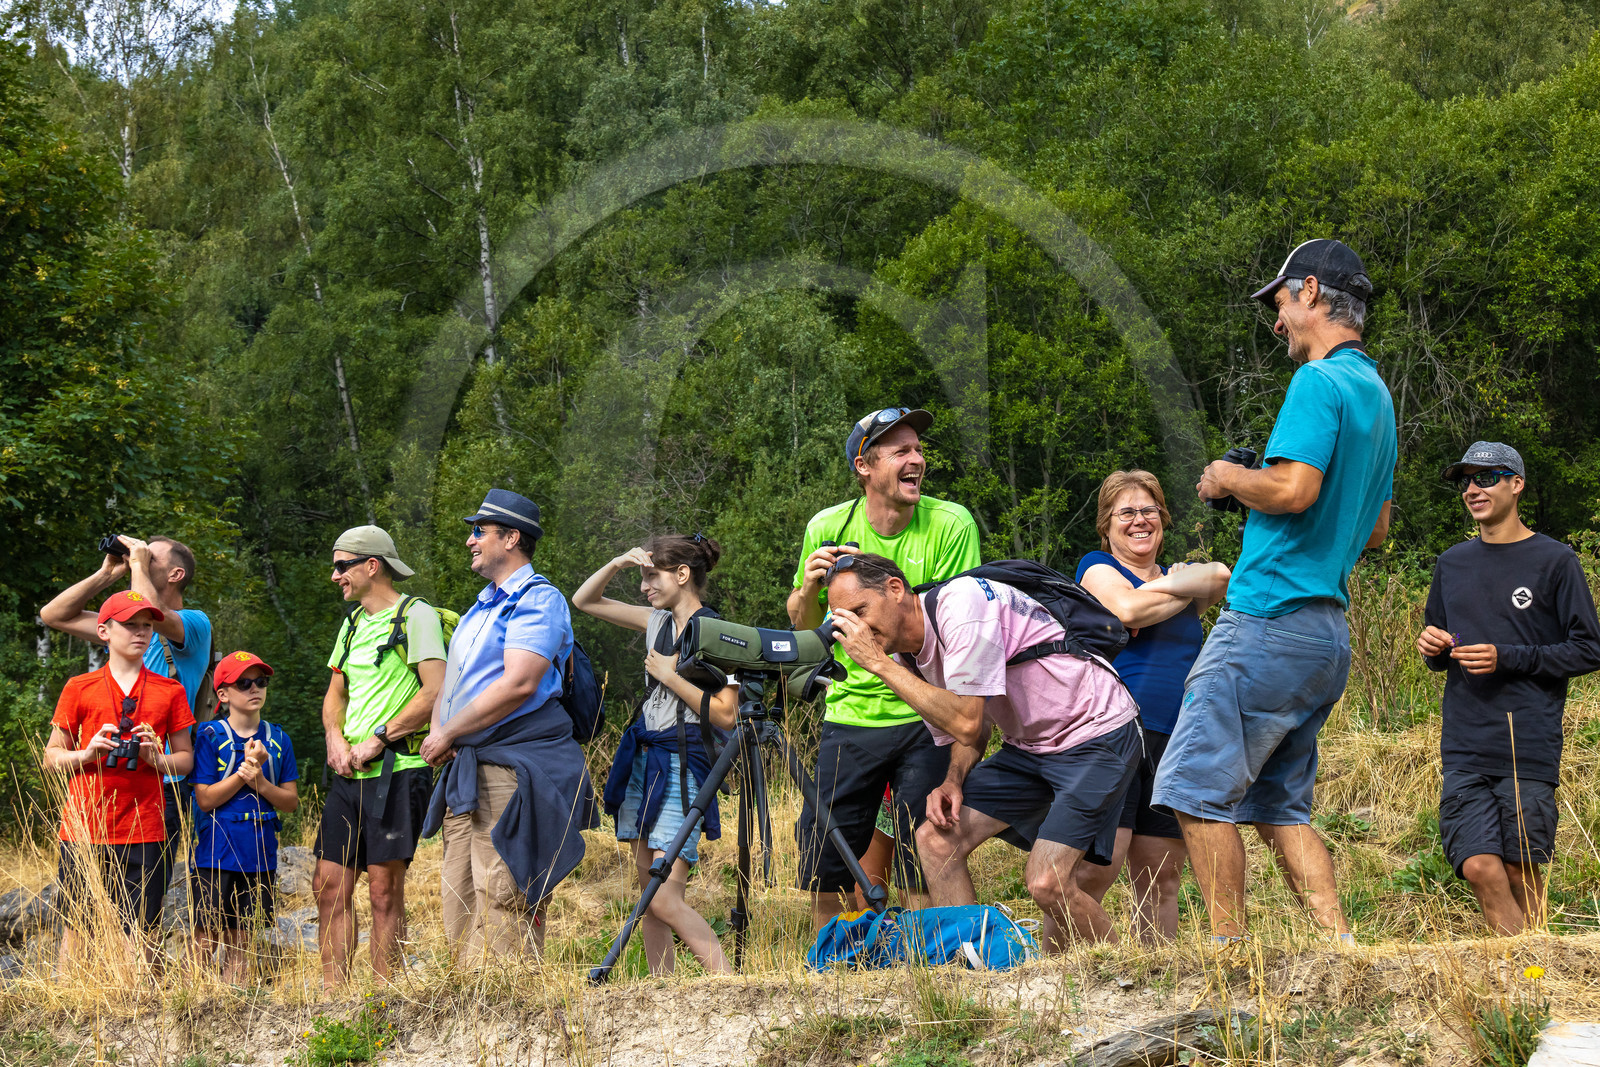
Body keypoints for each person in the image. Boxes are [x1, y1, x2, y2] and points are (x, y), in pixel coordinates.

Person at [1150, 238, 1396, 946]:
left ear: (1310, 292)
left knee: (1195, 787)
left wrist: (1229, 480)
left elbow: (1293, 488)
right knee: (1278, 808)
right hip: (1326, 633)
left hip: (1268, 618)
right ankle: (1339, 946)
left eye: (1280, 303)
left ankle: (1229, 957)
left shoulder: (1318, 383)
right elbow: (1374, 530)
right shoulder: (1376, 395)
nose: (1278, 322)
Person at [824, 554, 1142, 949]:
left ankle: (1127, 974)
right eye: (844, 619)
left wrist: (878, 666)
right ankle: (975, 972)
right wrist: (952, 780)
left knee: (1048, 882)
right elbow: (969, 737)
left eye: (860, 611)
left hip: (1096, 734)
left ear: (895, 588)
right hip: (1029, 748)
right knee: (935, 840)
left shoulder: (962, 605)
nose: (856, 629)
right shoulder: (904, 657)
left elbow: (967, 720)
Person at [787, 407, 981, 930]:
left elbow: (944, 619)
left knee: (929, 853)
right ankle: (829, 965)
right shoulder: (827, 527)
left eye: (918, 449)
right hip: (850, 715)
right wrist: (809, 589)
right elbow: (808, 632)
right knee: (826, 864)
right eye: (901, 451)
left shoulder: (949, 522)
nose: (917, 459)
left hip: (924, 716)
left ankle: (937, 965)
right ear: (864, 466)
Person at [1417, 443, 1600, 935]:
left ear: (1516, 484)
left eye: (1487, 478)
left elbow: (1589, 648)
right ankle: (1524, 964)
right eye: (1466, 482)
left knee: (1521, 867)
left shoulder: (1555, 561)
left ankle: (1535, 976)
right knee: (1478, 865)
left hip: (1527, 738)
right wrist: (1432, 646)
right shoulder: (1451, 563)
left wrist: (1509, 656)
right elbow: (1441, 645)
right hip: (1464, 739)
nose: (1473, 489)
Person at [420, 489, 598, 961]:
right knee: (459, 906)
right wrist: (441, 731)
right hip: (467, 771)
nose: (470, 541)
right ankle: (470, 1021)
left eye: (479, 530)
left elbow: (519, 683)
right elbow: (452, 685)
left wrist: (449, 731)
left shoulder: (539, 600)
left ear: (511, 537)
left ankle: (511, 1023)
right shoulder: (479, 609)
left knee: (504, 903)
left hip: (510, 771)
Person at [1073, 471, 1229, 943]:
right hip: (1114, 733)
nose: (1139, 520)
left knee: (1160, 878)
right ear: (1107, 524)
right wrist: (1172, 592)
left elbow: (1222, 574)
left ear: (1162, 518)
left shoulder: (1178, 574)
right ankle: (1060, 977)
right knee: (1096, 872)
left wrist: (1147, 599)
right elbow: (1124, 613)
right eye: (1126, 512)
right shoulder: (1096, 566)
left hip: (1176, 736)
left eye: (1149, 510)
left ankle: (1157, 975)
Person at [572, 534, 738, 975]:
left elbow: (726, 716)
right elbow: (584, 600)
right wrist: (615, 564)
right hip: (647, 761)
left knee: (664, 896)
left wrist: (670, 675)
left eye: (652, 577)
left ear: (683, 575)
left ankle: (729, 982)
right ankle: (662, 991)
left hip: (685, 763)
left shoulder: (720, 633)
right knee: (648, 893)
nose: (644, 587)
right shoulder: (657, 622)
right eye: (641, 577)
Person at [41, 535, 213, 904]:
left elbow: (150, 609)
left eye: (151, 559)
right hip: (102, 780)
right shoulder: (124, 631)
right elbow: (53, 615)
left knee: (142, 911)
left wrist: (137, 563)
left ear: (176, 574)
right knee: (81, 912)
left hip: (159, 784)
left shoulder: (194, 624)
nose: (142, 559)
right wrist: (107, 573)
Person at [314, 525, 445, 987]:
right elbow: (336, 693)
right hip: (349, 776)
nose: (335, 576)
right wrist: (335, 738)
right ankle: (335, 996)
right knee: (328, 884)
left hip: (398, 770)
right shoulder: (350, 624)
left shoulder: (417, 616)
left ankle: (382, 996)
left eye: (341, 566)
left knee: (384, 890)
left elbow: (435, 691)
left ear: (373, 566)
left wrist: (379, 739)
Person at [44, 591, 195, 970]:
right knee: (77, 929)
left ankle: (139, 1017)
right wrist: (87, 753)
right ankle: (67, 1014)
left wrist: (155, 758)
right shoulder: (79, 686)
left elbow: (186, 760)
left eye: (147, 625)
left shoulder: (169, 691)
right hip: (84, 827)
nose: (141, 632)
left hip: (145, 827)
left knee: (142, 932)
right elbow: (51, 757)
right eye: (130, 624)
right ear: (104, 631)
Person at [190, 651, 299, 984]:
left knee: (242, 938)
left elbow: (291, 802)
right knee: (205, 936)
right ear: (223, 695)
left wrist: (261, 782)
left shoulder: (279, 739)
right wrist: (244, 774)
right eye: (243, 683)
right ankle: (187, 1002)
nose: (255, 689)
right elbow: (205, 799)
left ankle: (234, 1005)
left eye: (261, 682)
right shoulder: (210, 735)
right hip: (216, 854)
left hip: (259, 855)